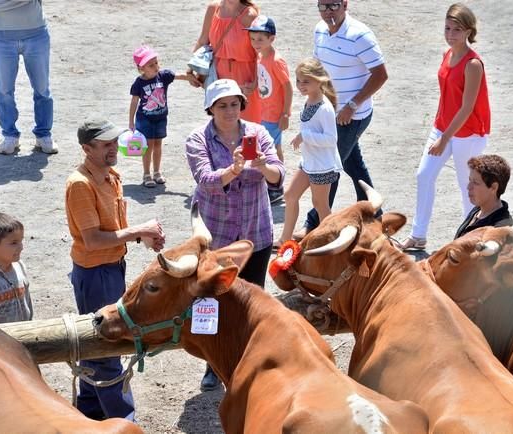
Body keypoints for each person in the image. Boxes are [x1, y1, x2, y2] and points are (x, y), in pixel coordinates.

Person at [185, 78, 284, 391]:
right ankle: (213, 363)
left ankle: (247, 358)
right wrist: (235, 170)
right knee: (212, 301)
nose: (230, 110)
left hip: (255, 231)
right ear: (210, 108)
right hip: (218, 234)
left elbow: (279, 176)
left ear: (242, 105)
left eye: (234, 104)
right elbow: (205, 179)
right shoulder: (197, 139)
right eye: (222, 105)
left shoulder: (259, 133)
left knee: (250, 297)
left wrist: (262, 165)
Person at [65, 118, 166, 421]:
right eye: (106, 144)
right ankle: (126, 424)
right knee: (108, 345)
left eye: (114, 141)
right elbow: (93, 240)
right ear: (87, 149)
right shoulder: (80, 185)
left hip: (110, 268)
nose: (114, 147)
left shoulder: (112, 175)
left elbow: (112, 229)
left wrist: (142, 237)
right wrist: (140, 229)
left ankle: (88, 415)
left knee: (96, 342)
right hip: (96, 273)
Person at [401, 3, 490, 251]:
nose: (450, 35)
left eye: (457, 30)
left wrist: (444, 138)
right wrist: (440, 131)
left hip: (468, 133)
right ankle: (418, 235)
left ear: (468, 31)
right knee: (424, 174)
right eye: (447, 28)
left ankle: (470, 238)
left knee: (468, 187)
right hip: (443, 128)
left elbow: (467, 107)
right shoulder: (447, 55)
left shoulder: (474, 64)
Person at [295, 0, 388, 237]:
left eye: (334, 5)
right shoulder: (320, 30)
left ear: (345, 4)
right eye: (323, 6)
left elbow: (381, 75)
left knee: (328, 167)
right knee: (351, 164)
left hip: (352, 117)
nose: (328, 11)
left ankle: (314, 223)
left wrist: (352, 105)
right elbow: (319, 69)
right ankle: (374, 215)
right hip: (329, 114)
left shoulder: (360, 35)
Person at [277, 58, 341, 246]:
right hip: (309, 162)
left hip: (322, 166)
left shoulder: (325, 108)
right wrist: (304, 135)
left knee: (321, 205)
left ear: (319, 80)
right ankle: (284, 239)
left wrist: (304, 135)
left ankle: (330, 243)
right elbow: (313, 129)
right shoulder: (309, 101)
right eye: (298, 80)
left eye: (306, 81)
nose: (300, 85)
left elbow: (331, 139)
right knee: (290, 195)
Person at [0, 0, 57, 154]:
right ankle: (10, 136)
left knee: (42, 89)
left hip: (36, 34)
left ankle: (43, 135)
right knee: (4, 90)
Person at [129, 45, 199, 187]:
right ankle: (146, 174)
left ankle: (157, 172)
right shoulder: (139, 83)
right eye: (150, 65)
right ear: (141, 68)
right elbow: (134, 102)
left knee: (158, 144)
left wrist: (192, 79)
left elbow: (178, 76)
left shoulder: (163, 76)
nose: (155, 66)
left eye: (156, 62)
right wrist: (131, 121)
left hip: (161, 118)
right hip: (145, 119)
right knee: (148, 146)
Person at [244, 15, 293, 205]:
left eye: (260, 39)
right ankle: (275, 181)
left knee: (271, 148)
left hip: (274, 114)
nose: (255, 43)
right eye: (253, 38)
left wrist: (286, 113)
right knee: (273, 146)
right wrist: (254, 85)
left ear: (272, 38)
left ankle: (277, 184)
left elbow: (287, 86)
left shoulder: (276, 60)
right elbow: (262, 76)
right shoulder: (261, 55)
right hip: (265, 111)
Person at [189, 0, 262, 123]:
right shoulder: (213, 9)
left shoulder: (250, 15)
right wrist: (191, 69)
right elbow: (203, 40)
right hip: (218, 76)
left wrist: (256, 81)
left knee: (247, 126)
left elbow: (259, 52)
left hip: (244, 77)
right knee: (222, 123)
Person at [454, 154, 513, 239]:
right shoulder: (479, 210)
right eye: (470, 180)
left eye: (475, 183)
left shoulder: (499, 229)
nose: (468, 187)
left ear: (494, 187)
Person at [0, 213, 33, 324]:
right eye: (14, 243)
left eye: (21, 241)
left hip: (25, 334)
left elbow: (27, 300)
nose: (21, 247)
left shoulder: (19, 266)